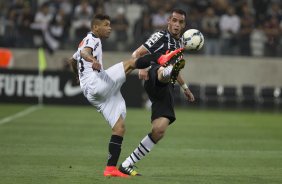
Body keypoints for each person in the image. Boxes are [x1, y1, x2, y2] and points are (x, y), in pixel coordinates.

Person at [69, 14, 183, 178]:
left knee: (119, 128)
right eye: (106, 25)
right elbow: (86, 53)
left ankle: (110, 169)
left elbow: (73, 60)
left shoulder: (83, 41)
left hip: (95, 94)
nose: (110, 28)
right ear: (95, 27)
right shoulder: (92, 39)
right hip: (96, 84)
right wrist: (92, 59)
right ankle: (160, 59)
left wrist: (78, 76)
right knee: (130, 63)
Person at [119, 9, 195, 176]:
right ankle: (166, 71)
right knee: (163, 69)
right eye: (174, 20)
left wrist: (186, 89)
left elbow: (177, 70)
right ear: (168, 20)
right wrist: (142, 67)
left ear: (184, 25)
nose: (176, 24)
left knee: (159, 130)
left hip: (165, 87)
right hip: (154, 74)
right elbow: (136, 53)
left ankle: (127, 164)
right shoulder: (159, 36)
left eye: (180, 22)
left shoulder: (181, 44)